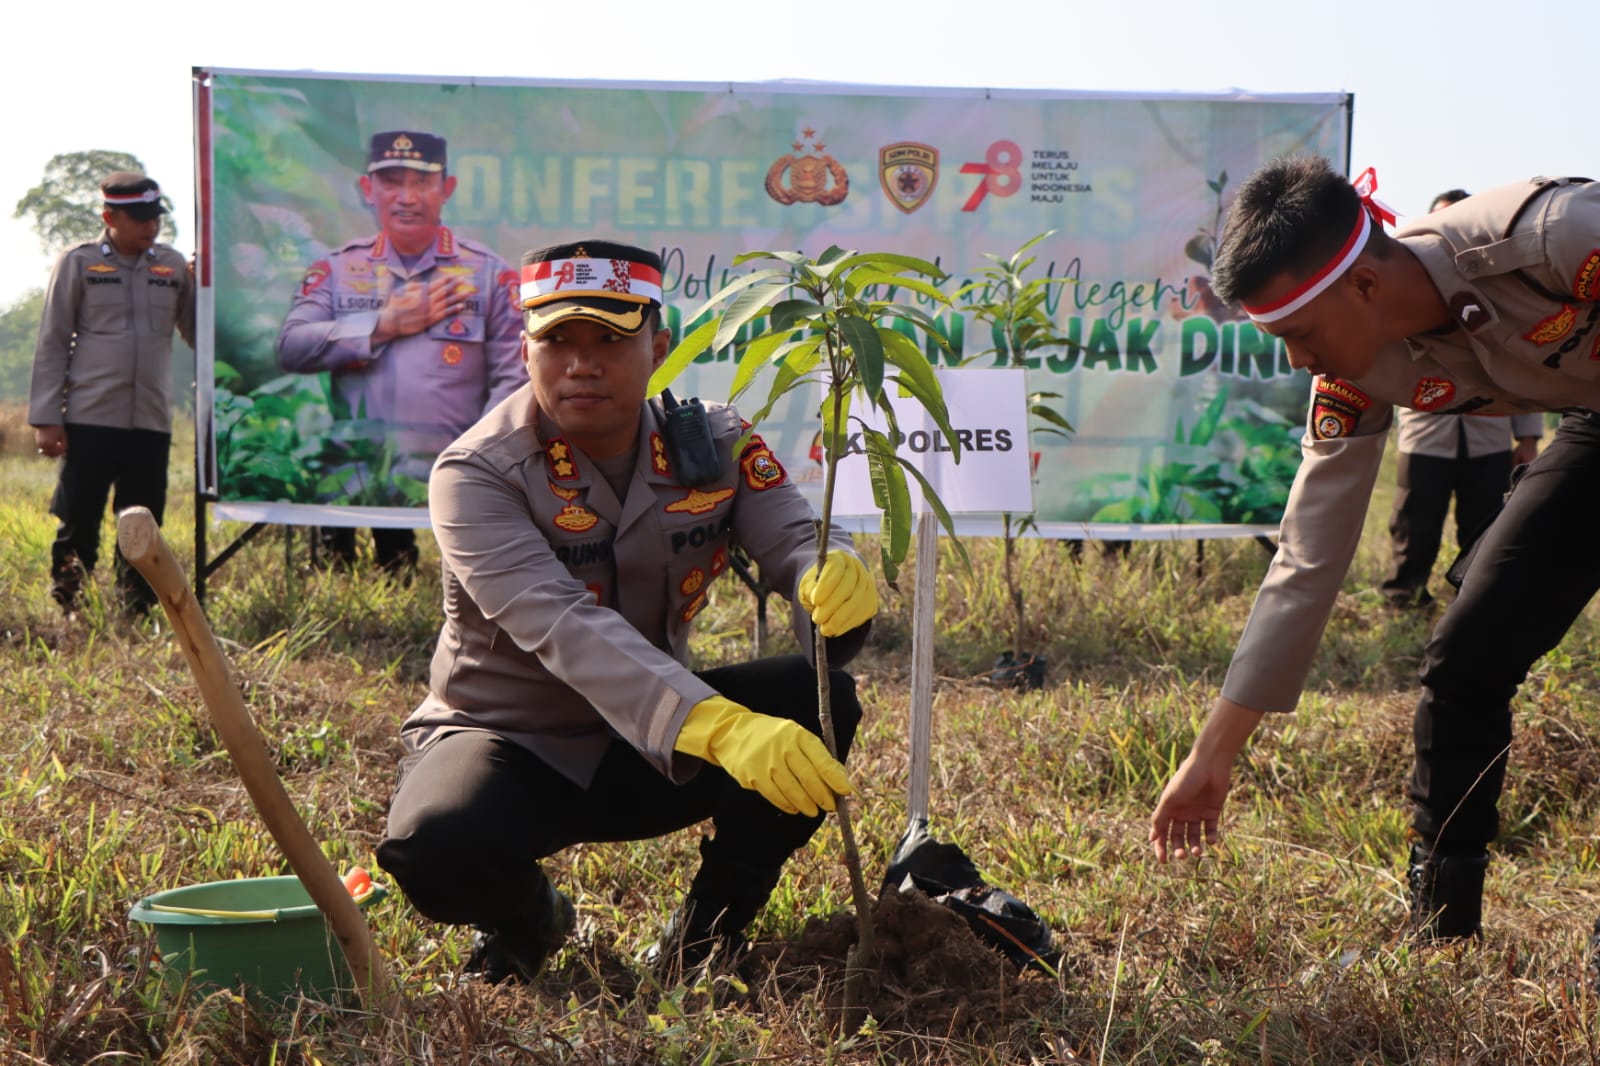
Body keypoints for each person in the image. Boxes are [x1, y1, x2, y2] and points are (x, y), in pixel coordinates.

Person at [375, 240, 878, 984]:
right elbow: (560, 625)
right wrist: (720, 725)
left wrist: (829, 579)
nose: (583, 363)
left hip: (649, 748)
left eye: (611, 338)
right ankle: (527, 919)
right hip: (512, 747)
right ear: (526, 349)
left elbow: (798, 539)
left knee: (819, 698)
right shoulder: (476, 473)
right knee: (432, 844)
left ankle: (707, 936)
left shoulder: (714, 440)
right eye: (558, 340)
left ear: (660, 347)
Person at [1148, 157, 1600, 943]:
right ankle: (1441, 929)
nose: (1295, 360)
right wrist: (1213, 755)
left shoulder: (1554, 236)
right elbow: (1306, 559)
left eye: (1298, 334)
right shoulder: (1353, 372)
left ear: (1361, 285)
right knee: (1468, 652)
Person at [276, 130, 524, 576]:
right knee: (335, 587)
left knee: (436, 588)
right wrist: (382, 325)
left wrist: (479, 458)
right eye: (391, 182)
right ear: (368, 190)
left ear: (445, 190)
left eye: (422, 182)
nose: (406, 198)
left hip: (451, 472)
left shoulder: (487, 274)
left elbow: (514, 376)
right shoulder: (338, 269)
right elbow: (292, 347)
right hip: (350, 475)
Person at [28, 171, 195, 616]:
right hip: (90, 416)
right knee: (79, 516)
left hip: (150, 418)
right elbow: (53, 339)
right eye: (138, 217)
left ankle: (134, 607)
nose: (150, 225)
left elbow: (200, 335)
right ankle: (70, 603)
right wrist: (47, 417)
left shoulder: (175, 267)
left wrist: (211, 285)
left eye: (155, 216)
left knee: (143, 521)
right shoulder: (79, 263)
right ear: (109, 216)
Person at [1380, 188, 1543, 608]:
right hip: (1425, 435)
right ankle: (1404, 600)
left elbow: (1525, 358)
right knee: (1415, 525)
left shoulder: (1497, 284)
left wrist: (1527, 437)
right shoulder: (1404, 287)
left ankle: (1471, 606)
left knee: (1483, 528)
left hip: (1489, 435)